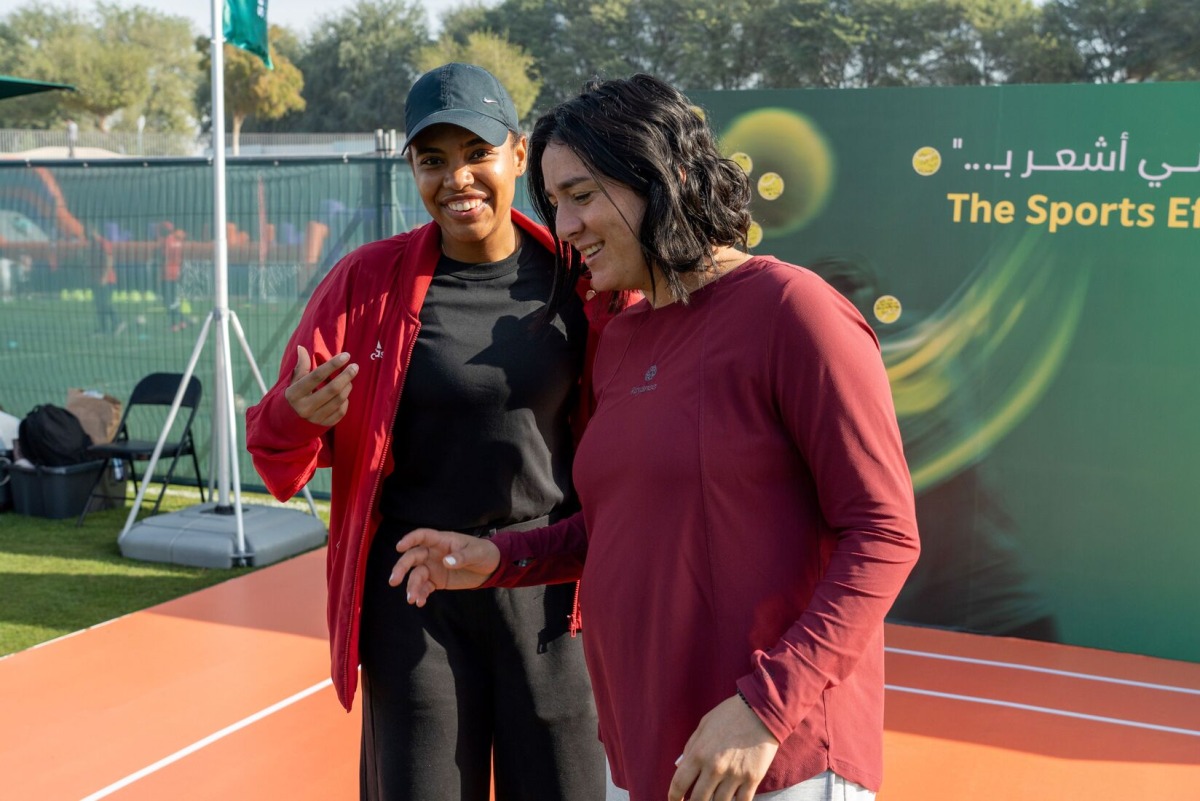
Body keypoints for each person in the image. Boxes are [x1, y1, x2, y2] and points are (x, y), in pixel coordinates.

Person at [391, 74, 920, 801]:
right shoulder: (622, 336)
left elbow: (885, 534)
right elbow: (619, 526)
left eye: (581, 194)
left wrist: (765, 708)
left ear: (663, 178)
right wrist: (498, 559)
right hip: (640, 760)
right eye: (554, 202)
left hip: (772, 761)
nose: (564, 226)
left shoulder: (795, 311)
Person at [245, 63, 628, 801]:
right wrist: (298, 415)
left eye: (477, 153)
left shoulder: (583, 279)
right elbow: (275, 446)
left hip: (549, 586)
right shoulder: (364, 282)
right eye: (433, 159)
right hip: (415, 593)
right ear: (413, 170)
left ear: (519, 154)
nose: (458, 179)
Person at [89, 228, 124, 335]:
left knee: (105, 303)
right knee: (99, 304)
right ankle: (103, 328)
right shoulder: (92, 245)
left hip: (107, 280)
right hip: (96, 279)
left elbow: (109, 260)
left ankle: (118, 322)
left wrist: (104, 276)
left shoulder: (103, 243)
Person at [158, 222, 186, 331]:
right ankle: (182, 321)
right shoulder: (177, 241)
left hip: (167, 273)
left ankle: (174, 324)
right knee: (174, 299)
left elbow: (164, 258)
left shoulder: (165, 242)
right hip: (176, 272)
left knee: (168, 300)